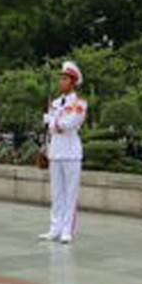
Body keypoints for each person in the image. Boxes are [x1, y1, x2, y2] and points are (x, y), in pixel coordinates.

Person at [38, 61, 86, 243]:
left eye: (64, 78)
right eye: (60, 78)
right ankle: (54, 228)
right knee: (56, 193)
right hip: (56, 151)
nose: (61, 81)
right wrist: (55, 123)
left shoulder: (79, 103)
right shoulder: (55, 103)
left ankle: (67, 230)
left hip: (71, 153)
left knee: (70, 193)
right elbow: (51, 126)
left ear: (73, 82)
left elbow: (69, 123)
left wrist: (54, 123)